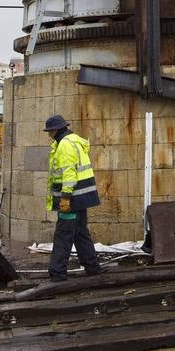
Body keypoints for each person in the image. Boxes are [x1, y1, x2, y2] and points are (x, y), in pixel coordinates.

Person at [44, 114, 103, 282]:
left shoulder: (64, 145)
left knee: (63, 234)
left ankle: (57, 273)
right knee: (80, 232)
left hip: (71, 199)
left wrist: (65, 197)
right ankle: (92, 267)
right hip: (82, 197)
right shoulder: (75, 140)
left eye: (49, 131)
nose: (49, 135)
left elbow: (69, 173)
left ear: (55, 130)